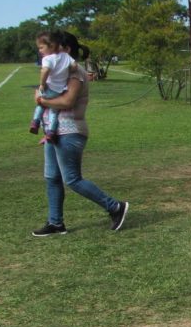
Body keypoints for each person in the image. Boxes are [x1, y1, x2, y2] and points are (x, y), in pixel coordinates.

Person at [31, 31, 128, 237]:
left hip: (70, 132)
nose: (50, 52)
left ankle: (115, 207)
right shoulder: (59, 73)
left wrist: (41, 100)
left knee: (72, 179)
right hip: (54, 133)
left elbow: (67, 102)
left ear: (66, 50)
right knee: (52, 177)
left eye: (55, 47)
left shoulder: (76, 74)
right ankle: (55, 222)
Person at [29, 31, 77, 141]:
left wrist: (42, 84)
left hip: (48, 87)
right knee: (54, 111)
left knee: (40, 104)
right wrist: (67, 70)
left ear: (51, 46)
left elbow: (45, 71)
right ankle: (51, 132)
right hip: (59, 91)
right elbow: (74, 66)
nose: (39, 50)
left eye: (41, 48)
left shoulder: (47, 59)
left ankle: (35, 121)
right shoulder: (65, 56)